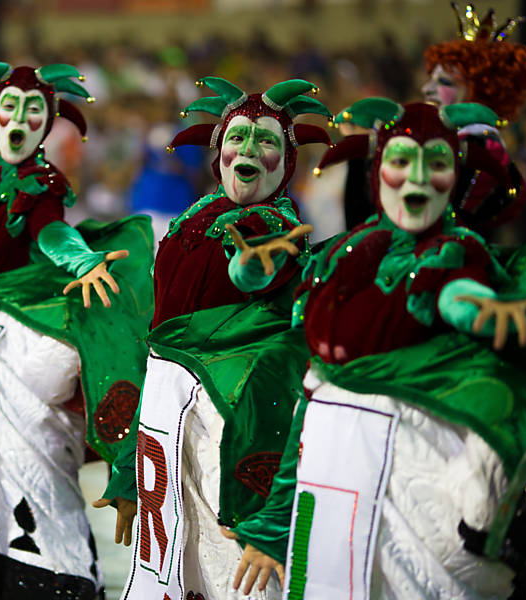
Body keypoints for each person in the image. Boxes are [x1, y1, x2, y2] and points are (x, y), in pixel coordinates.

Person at [231, 99, 526, 599]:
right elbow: (305, 376)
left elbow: (453, 288)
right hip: (326, 469)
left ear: (454, 175)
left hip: (408, 471)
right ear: (378, 171)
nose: (417, 178)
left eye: (435, 164)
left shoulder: (455, 248)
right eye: (401, 161)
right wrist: (250, 271)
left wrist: (477, 308)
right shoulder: (349, 250)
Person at [0, 61, 153, 599]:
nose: (20, 118)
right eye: (11, 106)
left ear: (49, 122)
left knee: (30, 473)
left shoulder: (39, 182)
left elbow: (52, 231)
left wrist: (79, 261)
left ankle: (66, 580)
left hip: (13, 346)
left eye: (35, 110)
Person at [105, 77, 331, 600]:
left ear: (287, 163)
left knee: (234, 573)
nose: (249, 150)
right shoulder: (195, 215)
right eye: (238, 138)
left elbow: (260, 271)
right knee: (180, 570)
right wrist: (126, 467)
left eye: (267, 140)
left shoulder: (273, 224)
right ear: (219, 151)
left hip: (227, 429)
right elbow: (159, 347)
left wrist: (250, 271)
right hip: (166, 419)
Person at [345, 3, 526, 231]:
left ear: (477, 91)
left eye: (444, 82)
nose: (426, 89)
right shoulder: (454, 141)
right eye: (431, 79)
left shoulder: (482, 146)